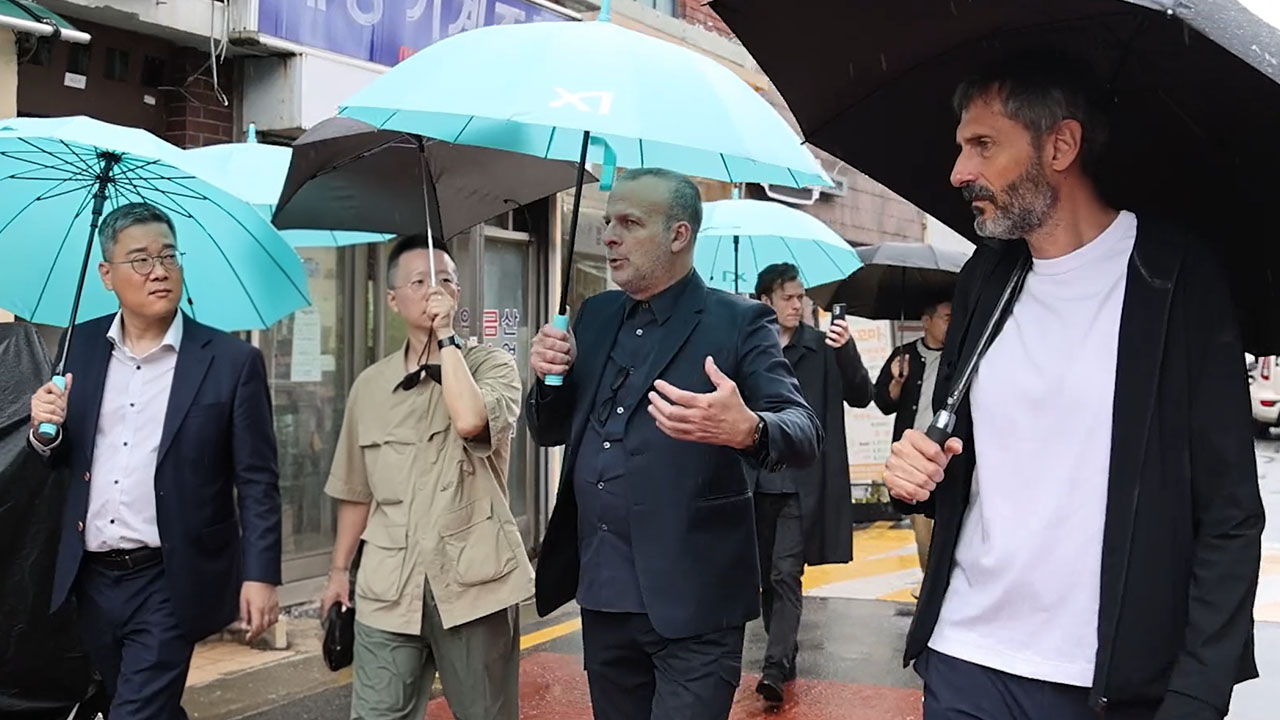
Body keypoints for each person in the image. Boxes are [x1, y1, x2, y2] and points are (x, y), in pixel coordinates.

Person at [883, 52, 1264, 720]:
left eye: (983, 145)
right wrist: (918, 468)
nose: (959, 172)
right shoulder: (986, 278)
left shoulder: (1174, 279)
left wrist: (1198, 693)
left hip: (1109, 680)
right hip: (967, 656)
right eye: (961, 147)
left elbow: (1229, 512)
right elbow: (961, 456)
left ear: (1060, 145)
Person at [527, 168, 822, 720]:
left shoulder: (739, 322)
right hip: (603, 590)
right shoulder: (594, 316)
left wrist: (749, 428)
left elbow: (804, 430)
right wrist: (549, 377)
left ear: (678, 235)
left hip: (697, 601)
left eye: (629, 223)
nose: (609, 236)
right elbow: (548, 431)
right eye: (608, 222)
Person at [27, 202, 282, 720]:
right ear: (107, 275)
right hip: (92, 576)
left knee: (135, 711)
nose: (159, 270)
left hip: (171, 576)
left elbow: (257, 482)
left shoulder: (231, 362)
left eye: (168, 256)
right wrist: (44, 431)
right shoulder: (78, 348)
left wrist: (261, 576)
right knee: (132, 703)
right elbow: (63, 462)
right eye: (140, 259)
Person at [320, 238, 531, 720]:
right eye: (419, 281)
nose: (434, 289)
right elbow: (356, 490)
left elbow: (471, 421)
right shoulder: (370, 386)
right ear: (392, 300)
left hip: (474, 583)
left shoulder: (491, 365)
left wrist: (447, 339)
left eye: (446, 280)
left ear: (458, 295)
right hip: (388, 585)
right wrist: (338, 572)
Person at [749, 262, 874, 704]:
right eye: (787, 297)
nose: (797, 304)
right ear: (765, 301)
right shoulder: (751, 348)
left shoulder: (821, 347)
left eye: (800, 297)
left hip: (803, 482)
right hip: (756, 481)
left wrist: (846, 350)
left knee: (785, 572)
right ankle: (785, 654)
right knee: (765, 578)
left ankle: (774, 666)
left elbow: (862, 395)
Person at [873, 297, 951, 591]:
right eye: (946, 318)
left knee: (949, 524)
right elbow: (883, 402)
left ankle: (944, 587)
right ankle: (930, 585)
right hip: (915, 460)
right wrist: (897, 381)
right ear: (926, 321)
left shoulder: (958, 356)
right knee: (923, 531)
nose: (952, 324)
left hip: (949, 455)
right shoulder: (904, 356)